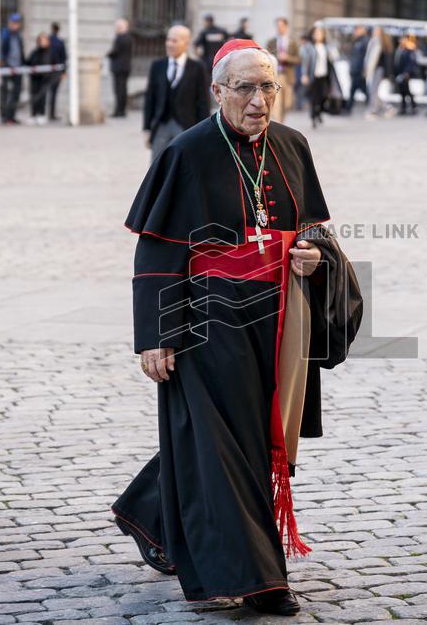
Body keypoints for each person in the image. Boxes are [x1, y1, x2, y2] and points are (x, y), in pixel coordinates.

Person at [112, 36, 363, 617]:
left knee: (246, 438)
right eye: (246, 87)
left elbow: (314, 232)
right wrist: (156, 334)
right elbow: (158, 252)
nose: (259, 100)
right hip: (206, 324)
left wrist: (311, 256)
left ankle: (151, 513)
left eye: (268, 86)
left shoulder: (294, 146)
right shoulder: (187, 152)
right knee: (223, 446)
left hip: (278, 323)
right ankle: (254, 579)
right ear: (218, 91)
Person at [143, 25, 210, 161]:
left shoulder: (197, 68)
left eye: (174, 41)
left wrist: (204, 132)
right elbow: (150, 98)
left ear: (186, 43)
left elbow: (203, 102)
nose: (169, 44)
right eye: (168, 40)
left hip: (187, 127)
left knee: (185, 166)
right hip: (161, 125)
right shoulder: (157, 66)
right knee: (157, 166)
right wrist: (147, 128)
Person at [265, 17, 301, 122]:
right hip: (275, 76)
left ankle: (282, 120)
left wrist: (287, 58)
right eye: (277, 26)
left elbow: (298, 59)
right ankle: (278, 122)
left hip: (288, 76)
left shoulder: (292, 42)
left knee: (287, 103)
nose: (279, 28)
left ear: (286, 27)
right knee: (277, 102)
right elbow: (265, 57)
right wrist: (276, 57)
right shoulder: (271, 42)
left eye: (281, 26)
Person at [300, 26, 335, 129]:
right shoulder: (309, 46)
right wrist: (304, 74)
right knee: (314, 98)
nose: (318, 35)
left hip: (324, 75)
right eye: (316, 33)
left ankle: (318, 112)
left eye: (320, 33)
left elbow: (331, 61)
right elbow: (305, 62)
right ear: (312, 35)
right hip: (313, 76)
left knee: (323, 97)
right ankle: (313, 116)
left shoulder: (326, 47)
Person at [0, 13, 26, 124]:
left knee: (16, 92)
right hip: (7, 66)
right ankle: (5, 116)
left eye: (17, 23)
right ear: (9, 23)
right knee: (5, 92)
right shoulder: (5, 34)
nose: (16, 25)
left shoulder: (18, 36)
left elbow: (20, 52)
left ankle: (12, 116)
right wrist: (2, 61)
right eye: (14, 23)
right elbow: (1, 49)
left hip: (18, 67)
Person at [364, 26, 394, 119]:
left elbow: (373, 59)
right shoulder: (378, 42)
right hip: (376, 70)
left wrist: (368, 70)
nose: (374, 32)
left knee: (373, 90)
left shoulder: (377, 42)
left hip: (376, 70)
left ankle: (374, 111)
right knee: (374, 91)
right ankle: (387, 107)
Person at [107, 18, 134, 118]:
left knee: (119, 90)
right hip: (126, 67)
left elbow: (114, 52)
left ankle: (119, 111)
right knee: (123, 90)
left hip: (119, 68)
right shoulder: (129, 38)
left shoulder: (120, 38)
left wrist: (108, 54)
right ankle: (122, 110)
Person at [26, 32, 53, 125]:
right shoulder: (35, 52)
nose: (42, 42)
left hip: (45, 79)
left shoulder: (50, 52)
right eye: (41, 40)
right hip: (35, 79)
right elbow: (29, 62)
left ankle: (41, 114)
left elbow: (54, 64)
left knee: (42, 97)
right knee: (34, 96)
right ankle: (33, 114)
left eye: (44, 40)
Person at [346, 25, 369, 115]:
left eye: (357, 30)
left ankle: (348, 108)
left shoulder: (365, 41)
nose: (355, 32)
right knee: (356, 89)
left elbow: (365, 57)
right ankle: (348, 108)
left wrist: (364, 69)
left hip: (359, 70)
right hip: (355, 69)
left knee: (361, 90)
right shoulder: (356, 41)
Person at [394, 35, 418, 116]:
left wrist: (407, 72)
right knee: (402, 92)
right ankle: (403, 107)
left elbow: (410, 63)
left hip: (405, 74)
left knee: (407, 91)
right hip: (399, 73)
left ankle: (413, 106)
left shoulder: (409, 50)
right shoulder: (399, 50)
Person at [48, 22, 67, 120]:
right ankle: (51, 113)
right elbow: (64, 58)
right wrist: (64, 71)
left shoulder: (48, 40)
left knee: (47, 92)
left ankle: (45, 113)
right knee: (53, 93)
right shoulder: (60, 42)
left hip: (48, 70)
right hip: (57, 71)